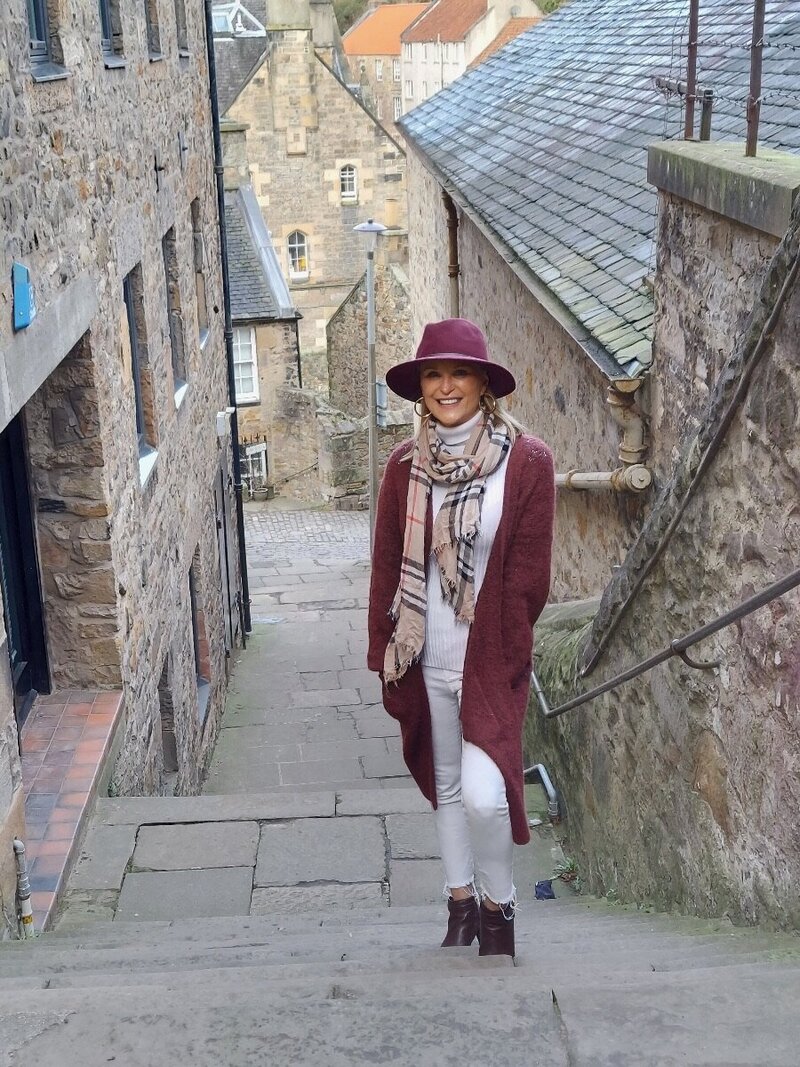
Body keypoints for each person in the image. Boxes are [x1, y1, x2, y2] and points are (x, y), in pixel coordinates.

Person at [367, 317, 555, 958]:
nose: (446, 387)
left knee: (485, 796)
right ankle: (459, 903)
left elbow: (529, 580)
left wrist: (506, 653)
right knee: (445, 785)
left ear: (483, 384)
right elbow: (386, 566)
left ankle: (500, 907)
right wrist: (384, 654)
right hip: (423, 656)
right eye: (433, 375)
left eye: (460, 373)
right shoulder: (403, 466)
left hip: (489, 661)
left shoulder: (527, 462)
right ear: (421, 386)